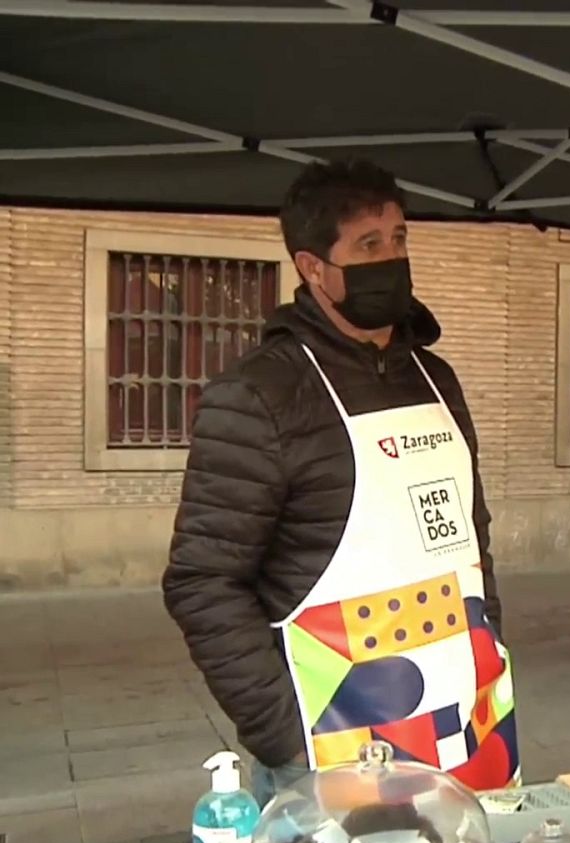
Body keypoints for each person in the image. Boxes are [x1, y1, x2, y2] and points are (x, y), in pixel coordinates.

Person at [163, 159, 518, 804]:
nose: (392, 257)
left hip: (469, 721)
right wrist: (286, 736)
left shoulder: (436, 379)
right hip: (333, 748)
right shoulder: (260, 395)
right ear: (313, 267)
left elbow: (472, 536)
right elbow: (203, 581)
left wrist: (490, 648)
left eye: (400, 238)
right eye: (369, 245)